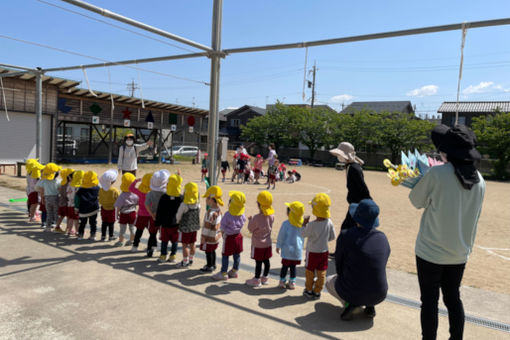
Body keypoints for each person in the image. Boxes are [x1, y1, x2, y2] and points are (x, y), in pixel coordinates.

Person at [409, 125, 485, 340]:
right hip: (459, 252)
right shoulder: (480, 180)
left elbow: (416, 201)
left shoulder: (437, 173)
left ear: (447, 152)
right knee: (453, 298)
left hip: (430, 251)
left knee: (430, 301)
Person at [325, 199, 390, 321]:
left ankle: (351, 304)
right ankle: (370, 306)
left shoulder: (346, 235)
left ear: (356, 217)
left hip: (352, 290)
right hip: (379, 293)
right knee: (369, 274)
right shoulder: (382, 237)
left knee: (328, 281)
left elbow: (339, 265)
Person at [330, 142, 371, 232]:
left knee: (346, 229)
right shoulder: (350, 166)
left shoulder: (354, 168)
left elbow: (362, 187)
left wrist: (369, 203)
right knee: (350, 229)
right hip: (355, 204)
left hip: (358, 205)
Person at [302, 193, 336, 299]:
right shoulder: (329, 222)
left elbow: (303, 234)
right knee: (322, 272)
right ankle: (317, 291)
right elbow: (332, 237)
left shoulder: (311, 225)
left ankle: (308, 290)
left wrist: (304, 224)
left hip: (312, 252)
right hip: (323, 251)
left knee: (310, 271)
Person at [212, 191, 246, 281]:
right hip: (238, 236)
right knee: (237, 254)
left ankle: (223, 273)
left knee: (225, 255)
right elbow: (243, 221)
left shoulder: (228, 214)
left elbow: (222, 227)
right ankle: (234, 271)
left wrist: (222, 234)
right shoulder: (242, 214)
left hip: (229, 237)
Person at [245, 191, 274, 287]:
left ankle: (257, 279)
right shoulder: (271, 216)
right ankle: (265, 277)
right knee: (266, 261)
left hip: (258, 244)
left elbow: (250, 229)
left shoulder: (256, 218)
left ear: (258, 204)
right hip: (267, 243)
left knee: (258, 262)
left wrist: (250, 220)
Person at [276, 201, 305, 290]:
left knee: (284, 266)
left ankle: (282, 281)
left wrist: (278, 245)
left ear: (289, 213)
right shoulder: (302, 224)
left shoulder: (286, 224)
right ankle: (292, 282)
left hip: (287, 250)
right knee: (293, 267)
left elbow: (281, 236)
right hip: (297, 250)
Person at [155, 173, 183, 263]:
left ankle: (163, 255)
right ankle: (173, 255)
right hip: (176, 223)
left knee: (164, 240)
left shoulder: (164, 197)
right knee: (175, 240)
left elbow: (159, 211)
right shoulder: (181, 198)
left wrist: (158, 222)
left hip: (165, 223)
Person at [145, 169, 170, 254]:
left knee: (152, 234)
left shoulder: (150, 193)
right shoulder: (166, 193)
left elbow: (147, 204)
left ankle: (150, 249)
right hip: (164, 216)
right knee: (163, 235)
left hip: (154, 216)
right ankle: (163, 252)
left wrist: (151, 214)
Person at [176, 182, 201, 267]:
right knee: (193, 243)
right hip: (194, 226)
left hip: (185, 227)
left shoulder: (184, 205)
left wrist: (177, 221)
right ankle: (191, 259)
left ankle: (185, 261)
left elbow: (178, 215)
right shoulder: (198, 205)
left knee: (185, 245)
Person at [199, 186, 223, 272]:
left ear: (212, 199)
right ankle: (213, 264)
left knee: (208, 252)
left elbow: (207, 226)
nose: (206, 200)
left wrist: (203, 237)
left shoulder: (210, 212)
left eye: (207, 198)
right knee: (212, 251)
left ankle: (209, 266)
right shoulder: (219, 210)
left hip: (209, 237)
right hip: (215, 236)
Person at [130, 173, 154, 253]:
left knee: (139, 230)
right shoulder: (153, 192)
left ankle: (135, 246)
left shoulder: (140, 191)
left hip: (141, 214)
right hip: (151, 214)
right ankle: (152, 246)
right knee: (152, 232)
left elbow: (130, 188)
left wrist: (136, 181)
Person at [36, 163, 62, 232]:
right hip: (56, 198)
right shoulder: (58, 181)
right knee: (56, 213)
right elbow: (60, 191)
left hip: (47, 198)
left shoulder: (44, 181)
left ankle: (48, 227)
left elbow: (41, 190)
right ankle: (57, 226)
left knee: (49, 213)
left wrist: (42, 198)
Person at [114, 173, 138, 246]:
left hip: (124, 214)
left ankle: (120, 241)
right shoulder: (135, 194)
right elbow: (138, 203)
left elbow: (118, 206)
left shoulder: (122, 195)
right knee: (132, 228)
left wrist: (117, 214)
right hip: (133, 213)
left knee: (122, 229)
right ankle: (131, 240)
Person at [75, 171, 100, 240]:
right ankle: (93, 235)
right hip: (94, 209)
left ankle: (80, 235)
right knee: (93, 223)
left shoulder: (81, 189)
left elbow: (77, 199)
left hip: (83, 209)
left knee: (82, 223)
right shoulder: (97, 188)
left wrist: (76, 208)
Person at [98, 169, 119, 242]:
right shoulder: (114, 190)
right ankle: (111, 236)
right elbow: (118, 199)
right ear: (113, 181)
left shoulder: (101, 189)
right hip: (112, 209)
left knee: (104, 223)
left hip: (103, 208)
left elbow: (99, 198)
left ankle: (103, 236)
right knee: (111, 223)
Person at [55, 168, 74, 233]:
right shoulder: (68, 184)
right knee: (69, 216)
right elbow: (67, 194)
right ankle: (68, 229)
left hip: (61, 202)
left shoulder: (62, 182)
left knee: (61, 215)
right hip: (66, 203)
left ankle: (57, 227)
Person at [66, 170, 82, 237]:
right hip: (75, 205)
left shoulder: (69, 184)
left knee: (70, 218)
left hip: (69, 204)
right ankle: (77, 231)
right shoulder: (78, 186)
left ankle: (69, 231)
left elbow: (67, 194)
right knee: (76, 219)